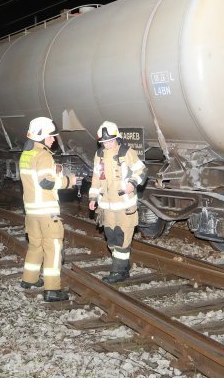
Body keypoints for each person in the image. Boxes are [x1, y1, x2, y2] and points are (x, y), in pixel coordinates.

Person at [19, 117, 77, 302]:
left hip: (31, 211)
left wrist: (54, 170)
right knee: (53, 249)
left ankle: (29, 279)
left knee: (35, 245)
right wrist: (69, 181)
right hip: (46, 211)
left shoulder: (26, 154)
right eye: (51, 136)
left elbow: (36, 179)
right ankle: (52, 290)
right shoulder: (44, 155)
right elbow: (46, 182)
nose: (53, 140)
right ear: (42, 136)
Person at [88, 121, 146, 283]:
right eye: (104, 142)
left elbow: (142, 170)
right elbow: (96, 179)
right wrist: (93, 197)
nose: (107, 144)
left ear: (117, 138)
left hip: (125, 206)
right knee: (111, 238)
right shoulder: (99, 155)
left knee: (122, 237)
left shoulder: (127, 152)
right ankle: (124, 267)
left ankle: (118, 271)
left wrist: (132, 183)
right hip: (107, 207)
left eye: (110, 141)